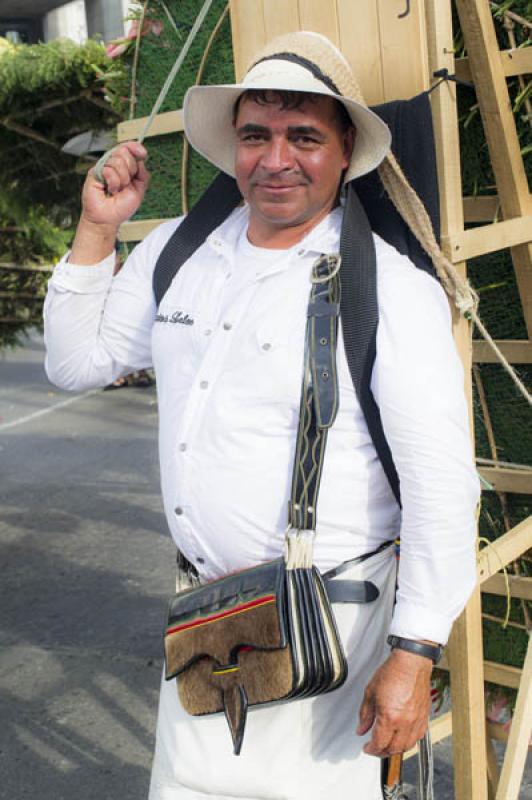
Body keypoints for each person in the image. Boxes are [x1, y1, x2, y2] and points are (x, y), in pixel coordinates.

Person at [44, 31, 480, 800]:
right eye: (256, 135)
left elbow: (442, 490)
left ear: (346, 150)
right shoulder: (179, 254)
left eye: (304, 136)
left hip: (335, 646)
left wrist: (413, 657)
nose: (275, 159)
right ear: (233, 146)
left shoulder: (390, 292)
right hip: (207, 635)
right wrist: (98, 227)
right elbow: (75, 364)